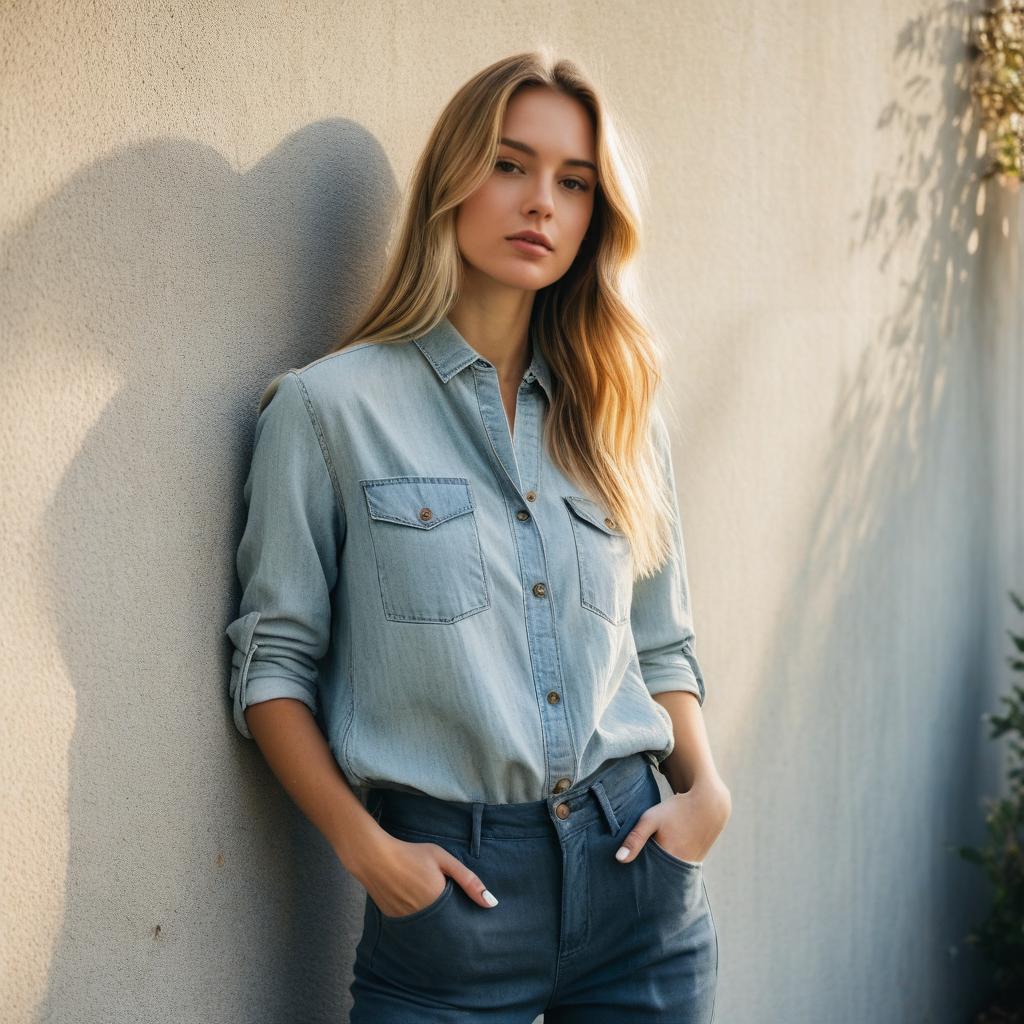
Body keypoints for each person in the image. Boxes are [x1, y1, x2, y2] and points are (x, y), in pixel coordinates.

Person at [224, 48, 731, 1024]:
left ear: (595, 216)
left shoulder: (620, 410)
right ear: (451, 179)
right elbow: (272, 665)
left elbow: (661, 639)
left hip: (640, 883)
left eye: (572, 182)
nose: (540, 201)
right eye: (509, 164)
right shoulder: (328, 411)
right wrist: (364, 848)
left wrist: (704, 791)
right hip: (450, 900)